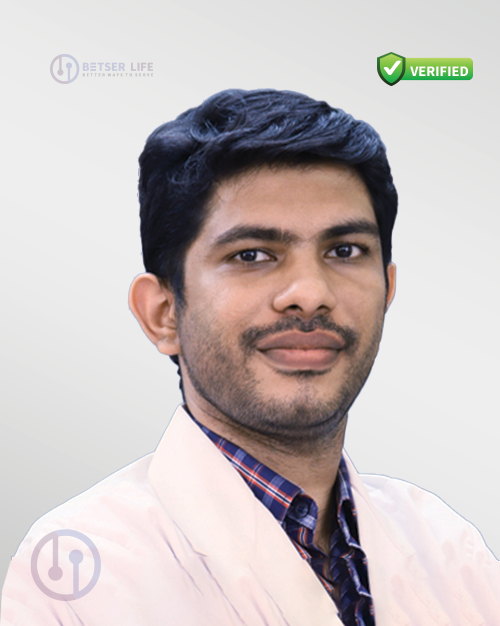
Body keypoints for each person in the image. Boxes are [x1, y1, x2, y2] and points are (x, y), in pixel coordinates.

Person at [1, 89, 499, 626]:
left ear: (388, 289)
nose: (310, 293)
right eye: (252, 255)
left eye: (344, 251)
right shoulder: (76, 578)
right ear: (163, 314)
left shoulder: (450, 550)